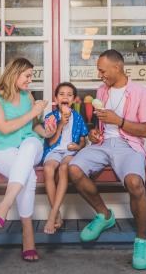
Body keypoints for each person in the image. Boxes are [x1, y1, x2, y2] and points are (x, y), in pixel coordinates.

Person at [68, 49, 146, 270]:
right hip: (103, 144)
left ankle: (141, 240)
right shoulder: (102, 91)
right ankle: (104, 215)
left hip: (129, 145)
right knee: (74, 169)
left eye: (102, 70)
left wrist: (120, 121)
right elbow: (100, 126)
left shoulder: (141, 93)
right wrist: (93, 134)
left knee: (136, 183)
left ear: (117, 67)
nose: (100, 74)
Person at [0, 58, 55, 262]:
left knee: (30, 144)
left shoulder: (28, 96)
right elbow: (4, 128)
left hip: (31, 147)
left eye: (32, 76)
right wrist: (34, 112)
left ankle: (4, 205)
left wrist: (48, 132)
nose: (30, 80)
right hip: (1, 150)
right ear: (14, 73)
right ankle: (28, 234)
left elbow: (34, 127)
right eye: (27, 75)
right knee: (29, 176)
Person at [41, 82, 88, 234]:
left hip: (69, 152)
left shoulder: (79, 118)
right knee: (48, 169)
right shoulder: (50, 117)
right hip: (54, 150)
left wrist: (78, 147)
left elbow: (83, 140)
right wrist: (61, 123)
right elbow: (51, 141)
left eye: (69, 95)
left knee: (63, 168)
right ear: (56, 98)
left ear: (74, 100)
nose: (65, 97)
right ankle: (57, 213)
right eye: (61, 94)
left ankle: (52, 214)